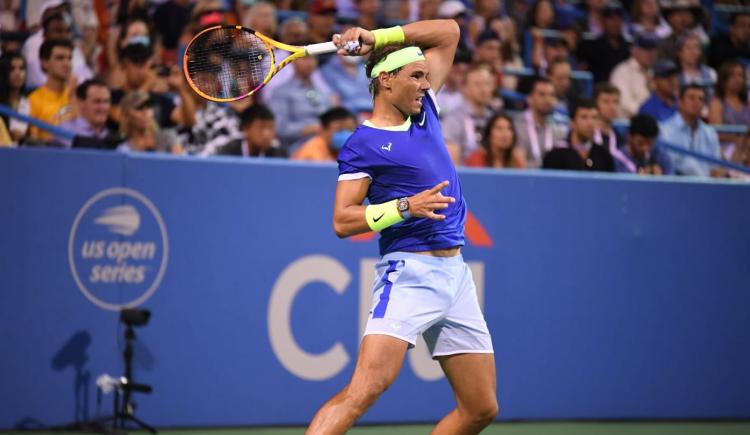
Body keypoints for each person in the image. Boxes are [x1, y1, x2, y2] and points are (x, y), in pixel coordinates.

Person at [308, 20, 498, 434]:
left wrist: (377, 38)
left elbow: (448, 31)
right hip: (409, 274)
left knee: (481, 408)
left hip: (456, 276)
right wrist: (405, 207)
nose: (425, 84)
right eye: (416, 76)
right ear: (385, 80)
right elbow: (343, 219)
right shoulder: (364, 142)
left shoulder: (425, 109)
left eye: (427, 76)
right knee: (365, 390)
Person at [659, 84, 722, 177]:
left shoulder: (711, 133)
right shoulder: (664, 131)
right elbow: (665, 167)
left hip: (706, 187)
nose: (697, 102)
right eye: (691, 98)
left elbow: (716, 169)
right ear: (680, 102)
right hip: (676, 186)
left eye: (701, 99)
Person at [543, 98, 614, 172]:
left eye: (594, 118)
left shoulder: (603, 155)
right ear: (572, 122)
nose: (590, 123)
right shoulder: (556, 154)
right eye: (584, 117)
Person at [28, 38, 76, 143]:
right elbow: (33, 143)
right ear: (45, 62)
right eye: (60, 58)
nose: (67, 63)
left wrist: (73, 95)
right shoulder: (33, 100)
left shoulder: (78, 96)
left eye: (69, 58)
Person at [514, 77, 567, 168]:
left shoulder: (559, 130)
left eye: (552, 95)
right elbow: (520, 165)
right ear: (529, 99)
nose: (548, 100)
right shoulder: (517, 126)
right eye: (542, 94)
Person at [117, 90, 182, 154]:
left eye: (148, 107)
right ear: (127, 115)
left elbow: (180, 163)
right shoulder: (123, 148)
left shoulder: (167, 137)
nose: (145, 112)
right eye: (139, 108)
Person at [610, 32, 658, 118]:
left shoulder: (655, 73)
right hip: (628, 123)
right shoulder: (622, 71)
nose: (650, 54)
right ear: (634, 50)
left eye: (652, 49)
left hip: (652, 122)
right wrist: (649, 113)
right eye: (645, 49)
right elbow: (624, 103)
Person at [53, 78, 112, 148]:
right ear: (81, 103)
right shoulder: (65, 130)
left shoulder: (111, 134)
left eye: (106, 101)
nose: (102, 107)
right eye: (97, 101)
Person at [217, 104, 286, 158]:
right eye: (261, 128)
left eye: (271, 128)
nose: (267, 134)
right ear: (246, 129)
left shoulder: (279, 155)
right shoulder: (227, 153)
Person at [292, 107, 357, 161]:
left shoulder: (346, 152)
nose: (345, 134)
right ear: (323, 129)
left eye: (350, 130)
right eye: (340, 130)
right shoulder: (311, 151)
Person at [0, 52, 30, 144]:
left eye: (21, 68)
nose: (18, 73)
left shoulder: (27, 102)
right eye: (12, 69)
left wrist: (23, 138)